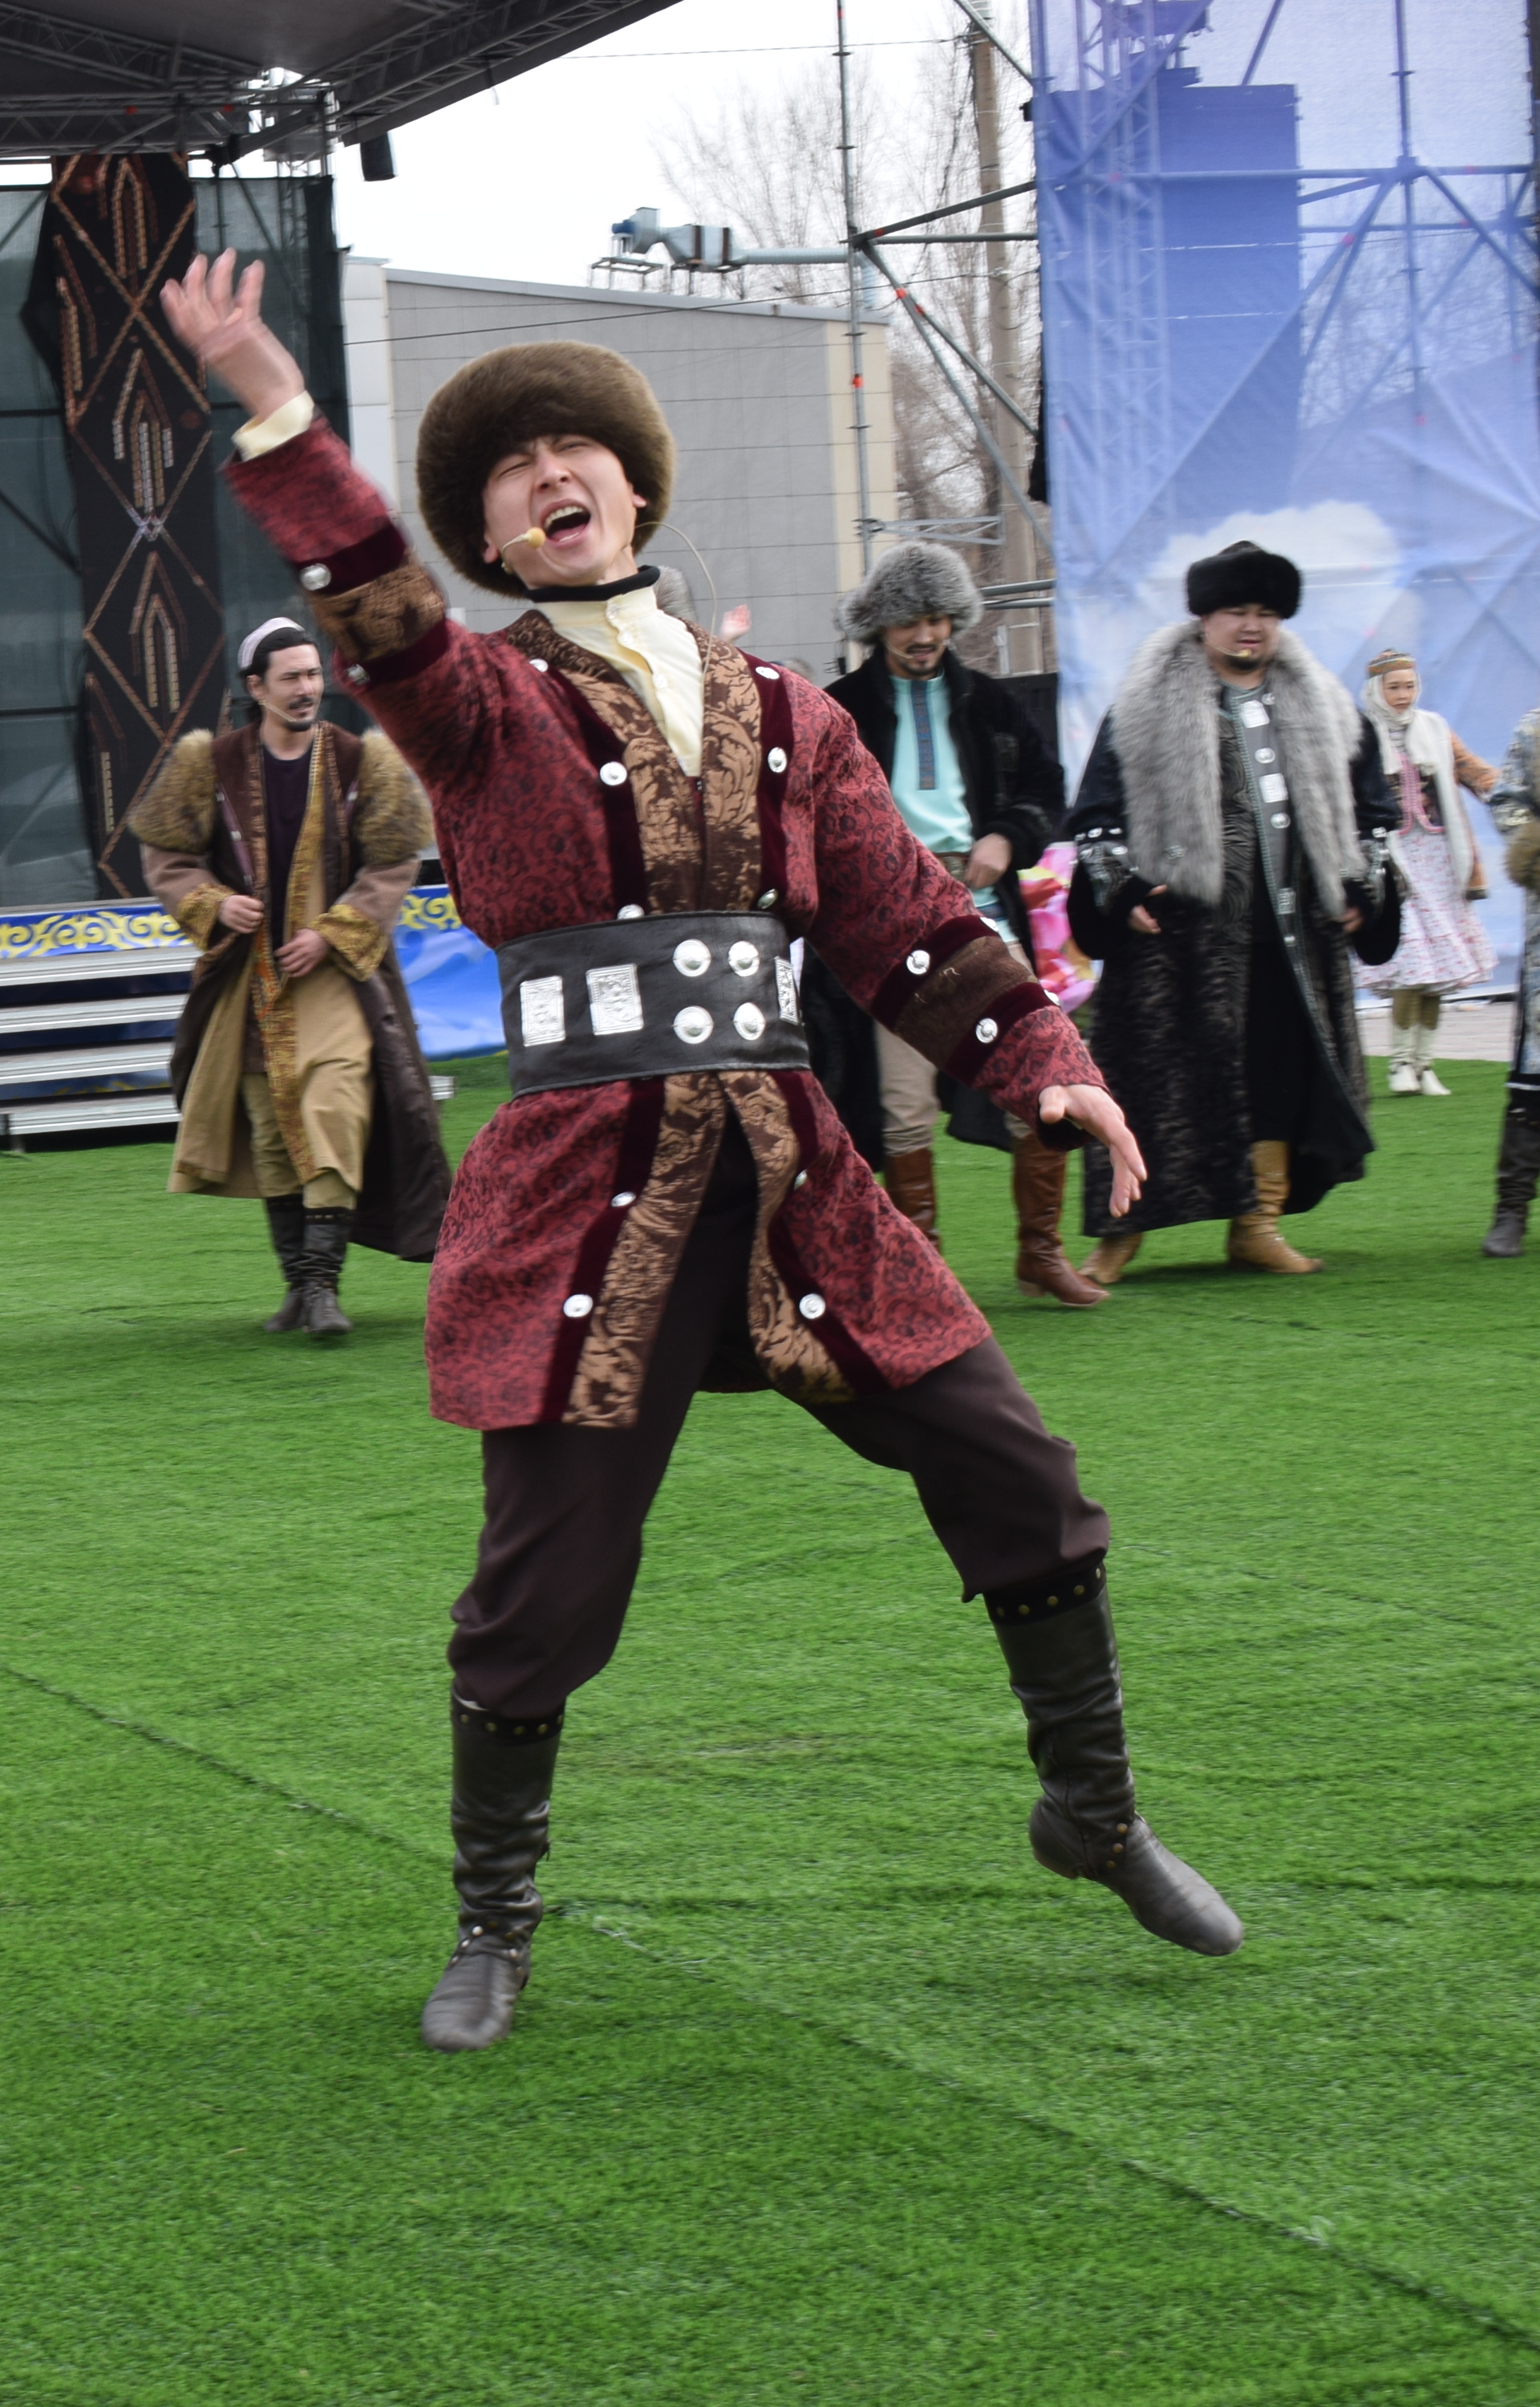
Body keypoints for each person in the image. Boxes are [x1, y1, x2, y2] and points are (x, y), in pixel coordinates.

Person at [156, 253, 1239, 2056]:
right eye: (512, 471)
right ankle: (493, 1919)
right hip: (580, 1193)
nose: (547, 476)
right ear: (490, 532)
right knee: (546, 1584)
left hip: (797, 1175)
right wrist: (276, 410)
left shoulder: (791, 714)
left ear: (634, 487)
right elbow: (373, 601)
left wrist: (1046, 1065)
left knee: (1020, 1476)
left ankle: (1094, 1812)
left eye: (573, 451)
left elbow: (908, 929)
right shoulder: (473, 704)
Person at [1064, 543, 1396, 1281]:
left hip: (1289, 935)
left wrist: (1361, 886)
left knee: (1276, 1076)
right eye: (1237, 611)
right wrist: (1121, 893)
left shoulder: (1325, 705)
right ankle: (1120, 1235)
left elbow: (1375, 811)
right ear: (1205, 617)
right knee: (1150, 1085)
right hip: (1177, 937)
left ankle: (1258, 1224)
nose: (1252, 626)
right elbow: (1096, 817)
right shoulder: (1147, 701)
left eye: (1267, 613)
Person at [130, 616, 451, 1335]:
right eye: (292, 678)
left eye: (313, 675)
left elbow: (392, 863)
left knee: (335, 1112)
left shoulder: (364, 761)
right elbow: (167, 860)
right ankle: (301, 1289)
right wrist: (214, 903)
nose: (308, 689)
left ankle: (324, 1289)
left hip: (336, 979)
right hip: (247, 984)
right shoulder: (208, 763)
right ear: (257, 687)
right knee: (272, 1137)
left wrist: (334, 932)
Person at [818, 542, 1103, 1309]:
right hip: (885, 930)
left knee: (1041, 1073)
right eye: (909, 620)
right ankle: (925, 1274)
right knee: (902, 1103)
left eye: (939, 618)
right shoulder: (837, 707)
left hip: (984, 918)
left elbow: (1046, 787)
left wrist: (1007, 836)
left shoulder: (993, 703)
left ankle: (1041, 1253)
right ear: (878, 624)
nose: (925, 635)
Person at [1356, 649, 1497, 1097]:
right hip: (1391, 857)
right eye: (1394, 687)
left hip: (1439, 854)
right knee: (1410, 964)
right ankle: (1400, 1063)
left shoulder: (1434, 728)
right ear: (1376, 690)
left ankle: (1425, 1063)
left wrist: (1515, 794)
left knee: (1438, 967)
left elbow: (1474, 771)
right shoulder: (1360, 734)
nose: (1403, 695)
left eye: (1409, 686)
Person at [1483, 707, 1540, 1256]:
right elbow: (1506, 800)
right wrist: (1534, 848)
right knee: (1535, 1075)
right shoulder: (1535, 728)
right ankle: (1512, 1210)